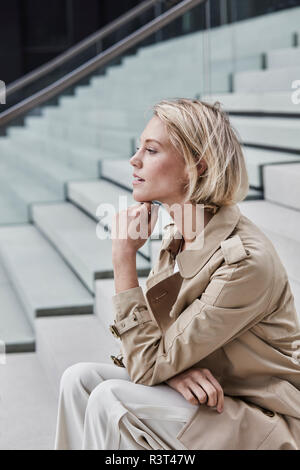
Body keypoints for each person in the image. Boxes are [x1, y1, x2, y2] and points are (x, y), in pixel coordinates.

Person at [54, 98, 300, 450]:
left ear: (195, 166)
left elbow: (148, 363)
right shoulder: (179, 238)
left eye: (151, 150)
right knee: (79, 380)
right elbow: (153, 354)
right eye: (139, 148)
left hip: (261, 422)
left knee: (113, 398)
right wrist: (172, 373)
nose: (134, 160)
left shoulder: (242, 262)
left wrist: (123, 258)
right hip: (213, 401)